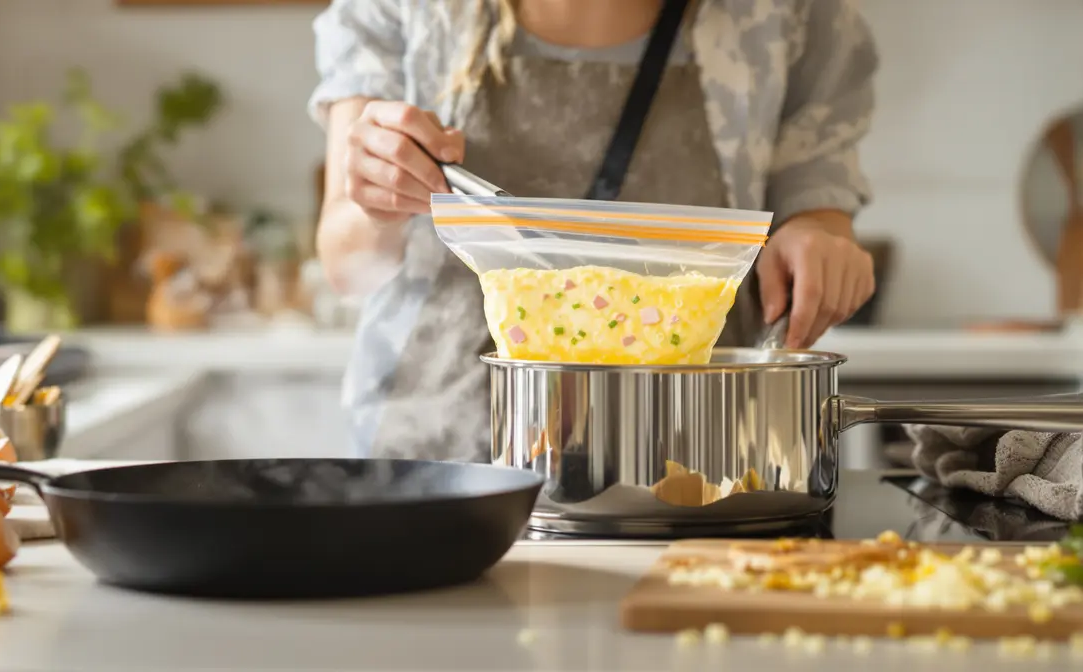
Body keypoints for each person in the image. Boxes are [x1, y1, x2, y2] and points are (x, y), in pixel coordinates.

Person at [309, 0, 879, 462]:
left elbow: (815, 209)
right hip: (439, 450)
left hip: (703, 450)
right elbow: (348, 269)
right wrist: (374, 199)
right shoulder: (394, 12)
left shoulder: (794, 16)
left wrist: (817, 240)